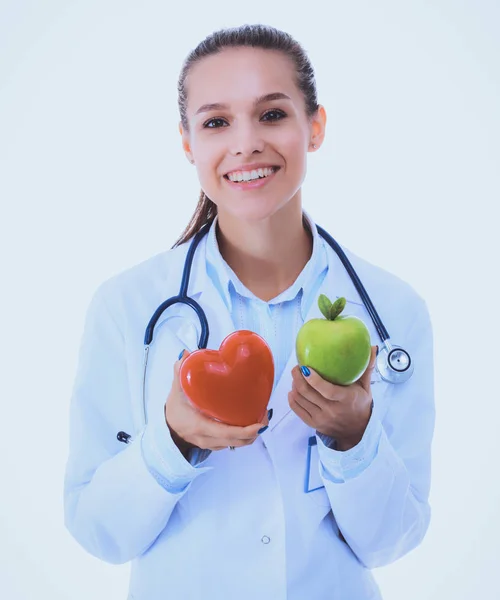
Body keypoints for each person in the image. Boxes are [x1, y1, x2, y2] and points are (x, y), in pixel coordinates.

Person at [63, 24, 435, 600]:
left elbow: (391, 543)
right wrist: (172, 439)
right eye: (216, 122)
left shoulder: (393, 310)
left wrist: (354, 437)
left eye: (272, 115)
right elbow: (99, 532)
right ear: (188, 144)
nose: (245, 144)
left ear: (315, 127)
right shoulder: (127, 307)